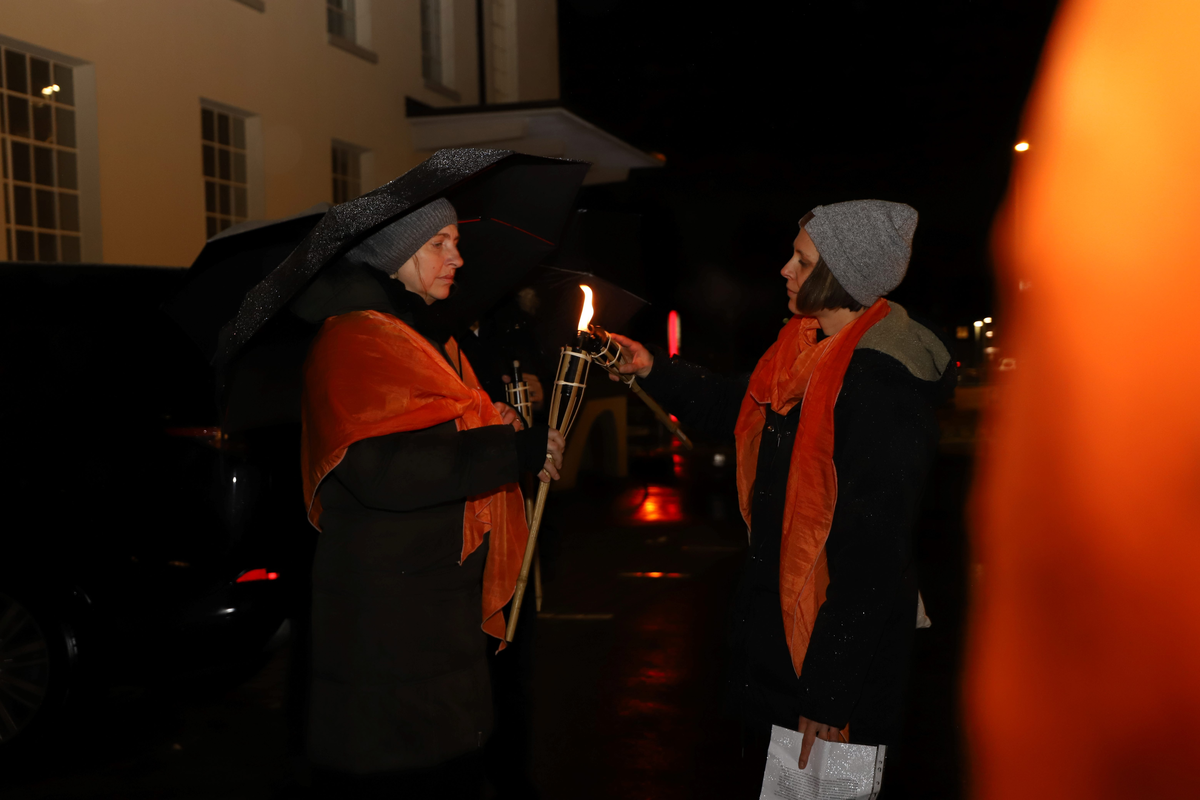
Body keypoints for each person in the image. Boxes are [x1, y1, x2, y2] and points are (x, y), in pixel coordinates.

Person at [609, 200, 953, 787]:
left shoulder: (879, 384)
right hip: (781, 636)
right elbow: (734, 405)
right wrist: (650, 369)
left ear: (842, 276)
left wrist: (828, 694)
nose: (784, 269)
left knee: (819, 790)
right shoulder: (801, 350)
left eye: (801, 259)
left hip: (832, 658)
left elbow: (873, 555)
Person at [292, 198, 565, 798]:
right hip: (390, 618)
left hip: (435, 604)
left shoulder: (421, 336)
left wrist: (500, 427)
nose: (457, 257)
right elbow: (381, 474)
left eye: (455, 242)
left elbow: (443, 429)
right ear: (396, 253)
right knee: (404, 776)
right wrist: (505, 452)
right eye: (438, 243)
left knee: (449, 766)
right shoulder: (355, 341)